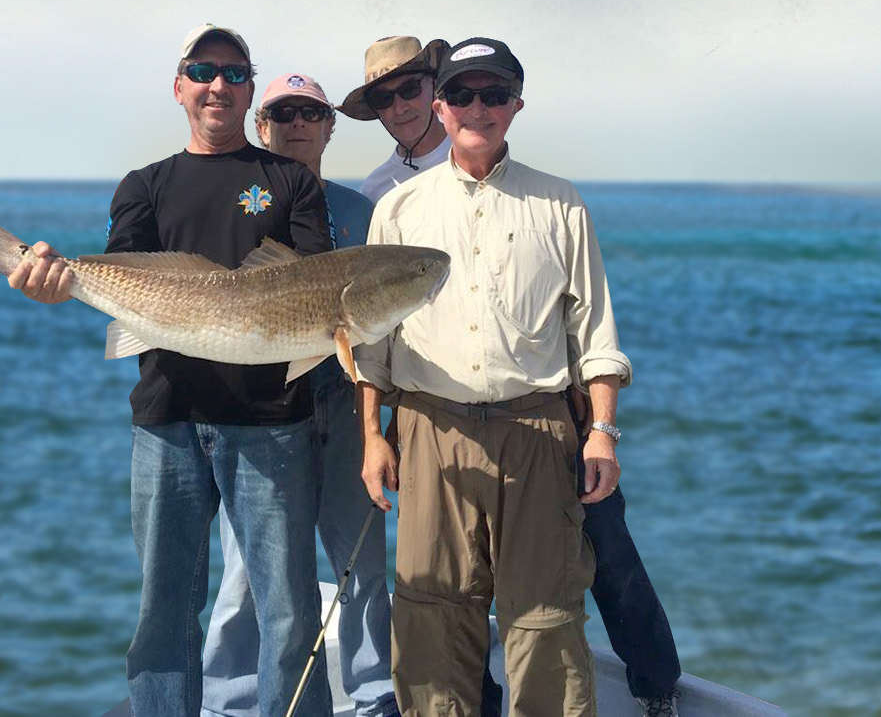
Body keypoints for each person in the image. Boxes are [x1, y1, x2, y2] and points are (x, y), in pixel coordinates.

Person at [342, 36, 685, 717]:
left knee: (545, 617)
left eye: (494, 94)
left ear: (516, 106)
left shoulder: (561, 203)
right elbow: (370, 342)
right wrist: (373, 437)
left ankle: (649, 684)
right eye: (462, 94)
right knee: (431, 615)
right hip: (430, 430)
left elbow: (594, 331)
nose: (478, 108)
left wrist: (603, 432)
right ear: (442, 108)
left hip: (537, 430)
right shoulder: (396, 210)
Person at [9, 24, 335, 717]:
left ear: (249, 89)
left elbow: (316, 283)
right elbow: (118, 275)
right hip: (168, 422)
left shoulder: (289, 181)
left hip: (273, 426)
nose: (219, 85)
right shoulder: (146, 185)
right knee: (164, 608)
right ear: (180, 87)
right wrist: (56, 284)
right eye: (204, 71)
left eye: (235, 73)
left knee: (288, 612)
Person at [200, 73, 396, 717]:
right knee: (245, 571)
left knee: (361, 562)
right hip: (257, 412)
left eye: (311, 112)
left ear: (331, 126)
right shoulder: (240, 201)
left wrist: (379, 422)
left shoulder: (363, 211)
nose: (298, 123)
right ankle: (228, 701)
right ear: (262, 126)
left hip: (345, 401)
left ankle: (375, 694)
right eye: (283, 112)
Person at [335, 36, 450, 202]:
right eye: (383, 98)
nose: (399, 108)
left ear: (435, 85)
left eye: (409, 89)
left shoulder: (478, 157)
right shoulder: (374, 189)